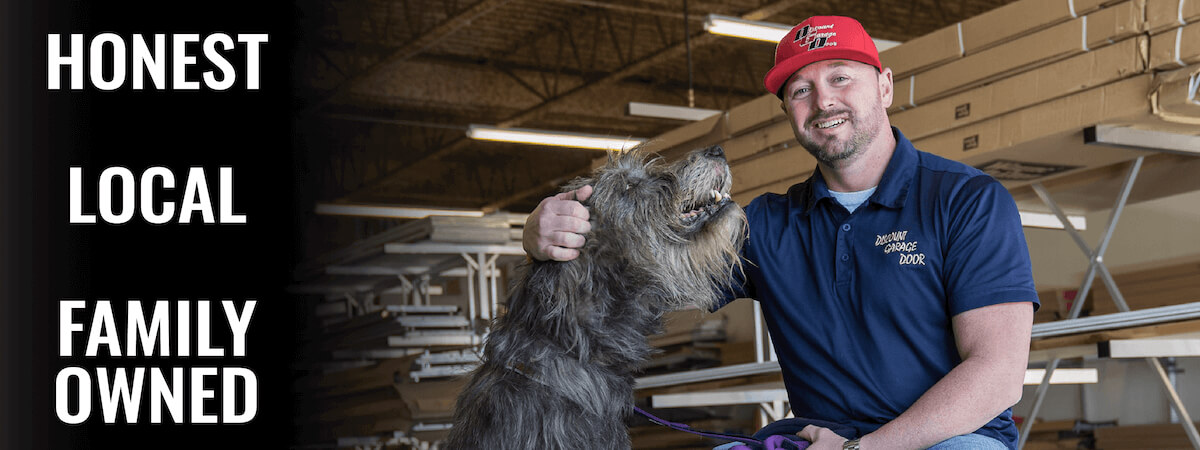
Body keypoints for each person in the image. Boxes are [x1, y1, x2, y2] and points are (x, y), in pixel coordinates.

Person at [523, 16, 1038, 450]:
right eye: (801, 90)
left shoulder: (967, 201)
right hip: (820, 440)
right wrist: (539, 231)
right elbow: (637, 272)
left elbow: (997, 374)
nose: (823, 101)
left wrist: (864, 449)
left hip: (949, 440)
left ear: (884, 85)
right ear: (789, 111)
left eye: (841, 78)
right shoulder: (765, 225)